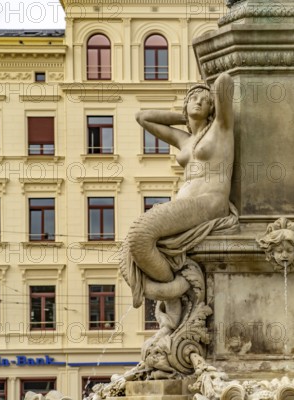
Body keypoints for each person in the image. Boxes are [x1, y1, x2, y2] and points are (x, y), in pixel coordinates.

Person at [123, 72, 235, 328]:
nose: (197, 101)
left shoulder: (222, 126)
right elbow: (143, 118)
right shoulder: (184, 139)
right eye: (192, 98)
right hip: (187, 206)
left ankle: (173, 296)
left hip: (210, 202)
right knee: (130, 247)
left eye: (203, 100)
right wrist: (186, 114)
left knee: (141, 233)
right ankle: (173, 292)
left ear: (213, 107)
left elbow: (224, 83)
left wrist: (211, 104)